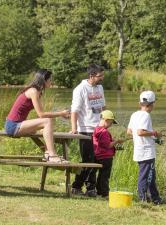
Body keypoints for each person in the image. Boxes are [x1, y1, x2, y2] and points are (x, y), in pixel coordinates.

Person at [4, 69, 70, 163]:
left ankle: (47, 153)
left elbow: (42, 115)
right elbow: (42, 114)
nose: (52, 82)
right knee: (47, 121)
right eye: (50, 79)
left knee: (46, 126)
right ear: (44, 80)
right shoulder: (33, 91)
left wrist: (60, 114)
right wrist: (61, 113)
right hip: (13, 126)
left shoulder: (36, 91)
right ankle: (52, 155)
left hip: (15, 124)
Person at [70, 64, 106, 197]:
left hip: (99, 129)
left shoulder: (100, 88)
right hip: (85, 129)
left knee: (97, 159)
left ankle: (91, 188)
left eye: (102, 75)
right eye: (99, 76)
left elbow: (103, 106)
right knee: (87, 160)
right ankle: (77, 186)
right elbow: (74, 111)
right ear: (91, 76)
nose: (102, 78)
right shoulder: (80, 89)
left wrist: (107, 121)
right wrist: (74, 129)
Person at [127, 90, 163, 205]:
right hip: (146, 151)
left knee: (150, 176)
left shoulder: (134, 114)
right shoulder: (146, 115)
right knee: (146, 176)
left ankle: (155, 198)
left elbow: (129, 132)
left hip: (139, 150)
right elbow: (140, 132)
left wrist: (152, 137)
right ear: (151, 104)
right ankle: (143, 199)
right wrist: (154, 133)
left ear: (140, 103)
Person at [93, 110, 123, 199]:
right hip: (106, 157)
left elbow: (103, 143)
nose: (111, 125)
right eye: (111, 122)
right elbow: (108, 145)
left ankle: (99, 191)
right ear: (106, 120)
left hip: (98, 156)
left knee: (101, 175)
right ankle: (105, 194)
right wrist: (117, 141)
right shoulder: (104, 132)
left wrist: (113, 140)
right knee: (105, 176)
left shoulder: (96, 129)